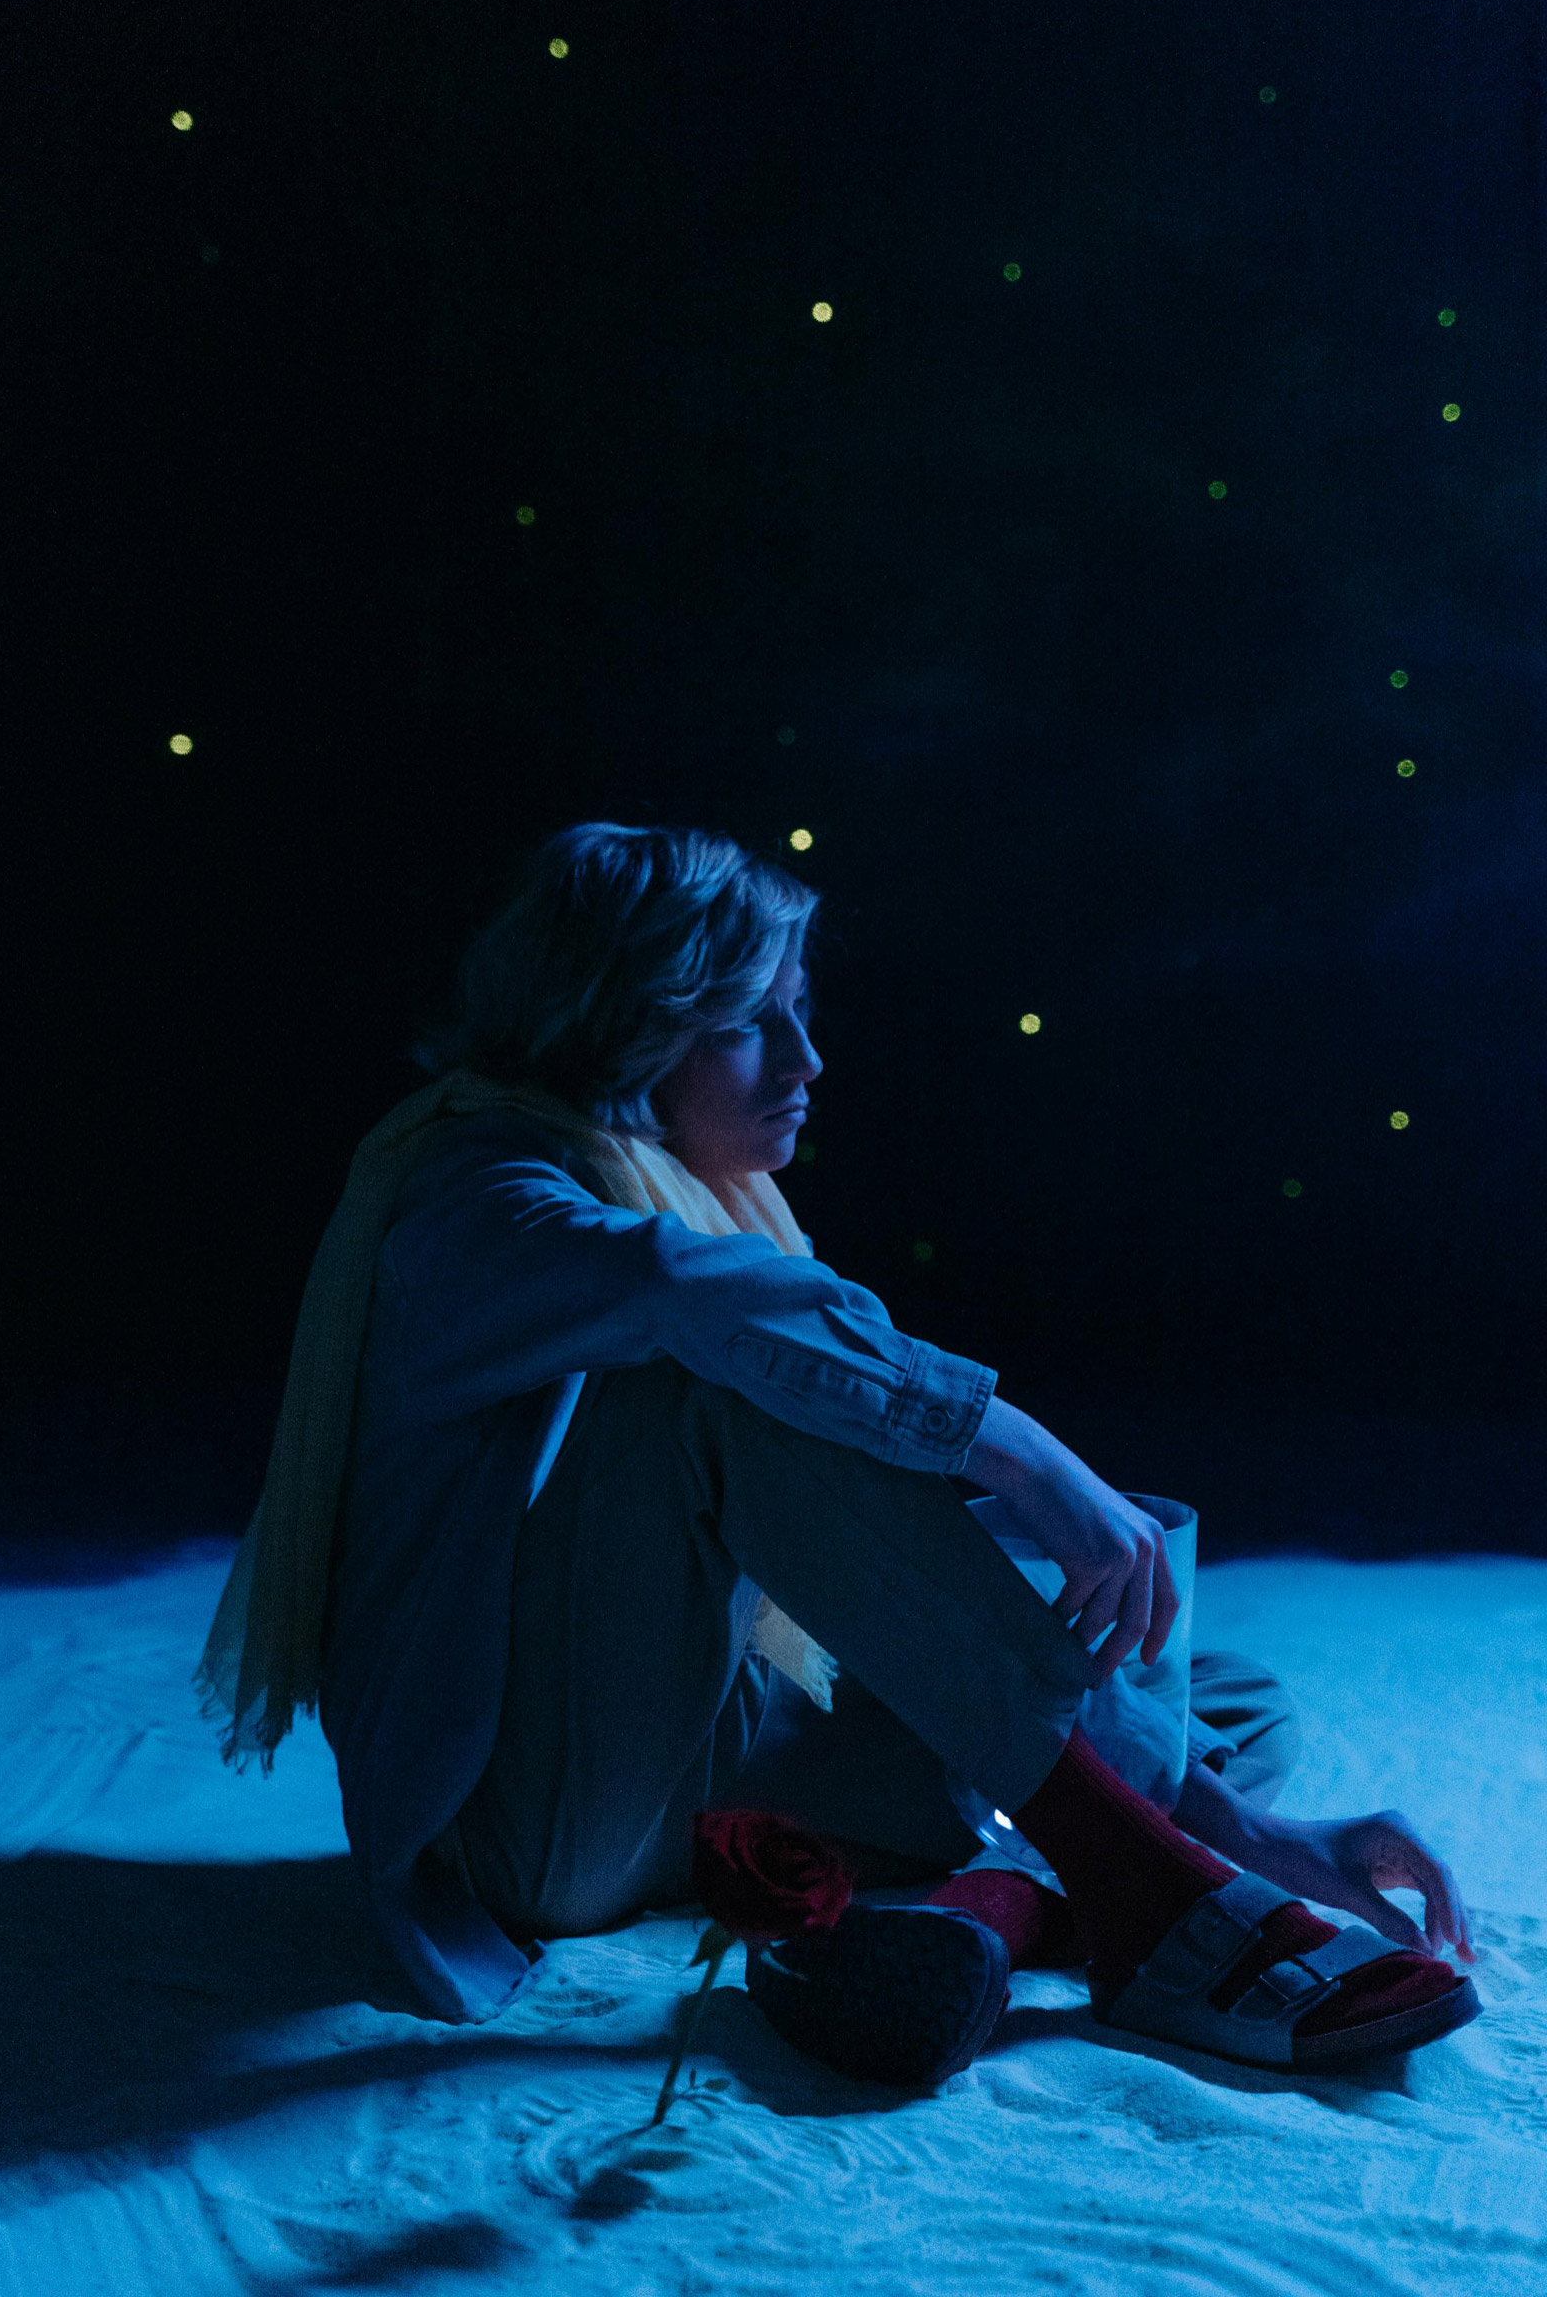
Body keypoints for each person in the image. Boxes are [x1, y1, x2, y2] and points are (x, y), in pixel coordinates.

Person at [198, 821, 1478, 2082]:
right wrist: (1025, 1455)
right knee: (712, 1385)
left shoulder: (690, 1183)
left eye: (799, 1011)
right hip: (530, 1826)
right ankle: (1145, 1897)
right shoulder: (478, 1197)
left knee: (1205, 1691)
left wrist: (1253, 1828)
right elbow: (693, 1295)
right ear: (618, 1025)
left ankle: (997, 1909)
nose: (807, 1059)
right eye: (748, 1022)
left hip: (710, 1750)